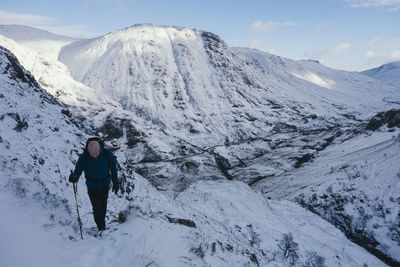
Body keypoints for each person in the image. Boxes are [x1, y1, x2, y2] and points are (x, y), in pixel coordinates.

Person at [69, 138, 120, 231]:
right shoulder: (84, 157)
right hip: (91, 186)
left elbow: (113, 167)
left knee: (103, 205)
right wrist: (75, 177)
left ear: (100, 149)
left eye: (96, 153)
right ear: (88, 151)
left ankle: (102, 221)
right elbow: (78, 169)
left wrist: (115, 180)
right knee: (96, 206)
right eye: (92, 154)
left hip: (105, 185)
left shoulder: (107, 154)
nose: (95, 156)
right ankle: (100, 226)